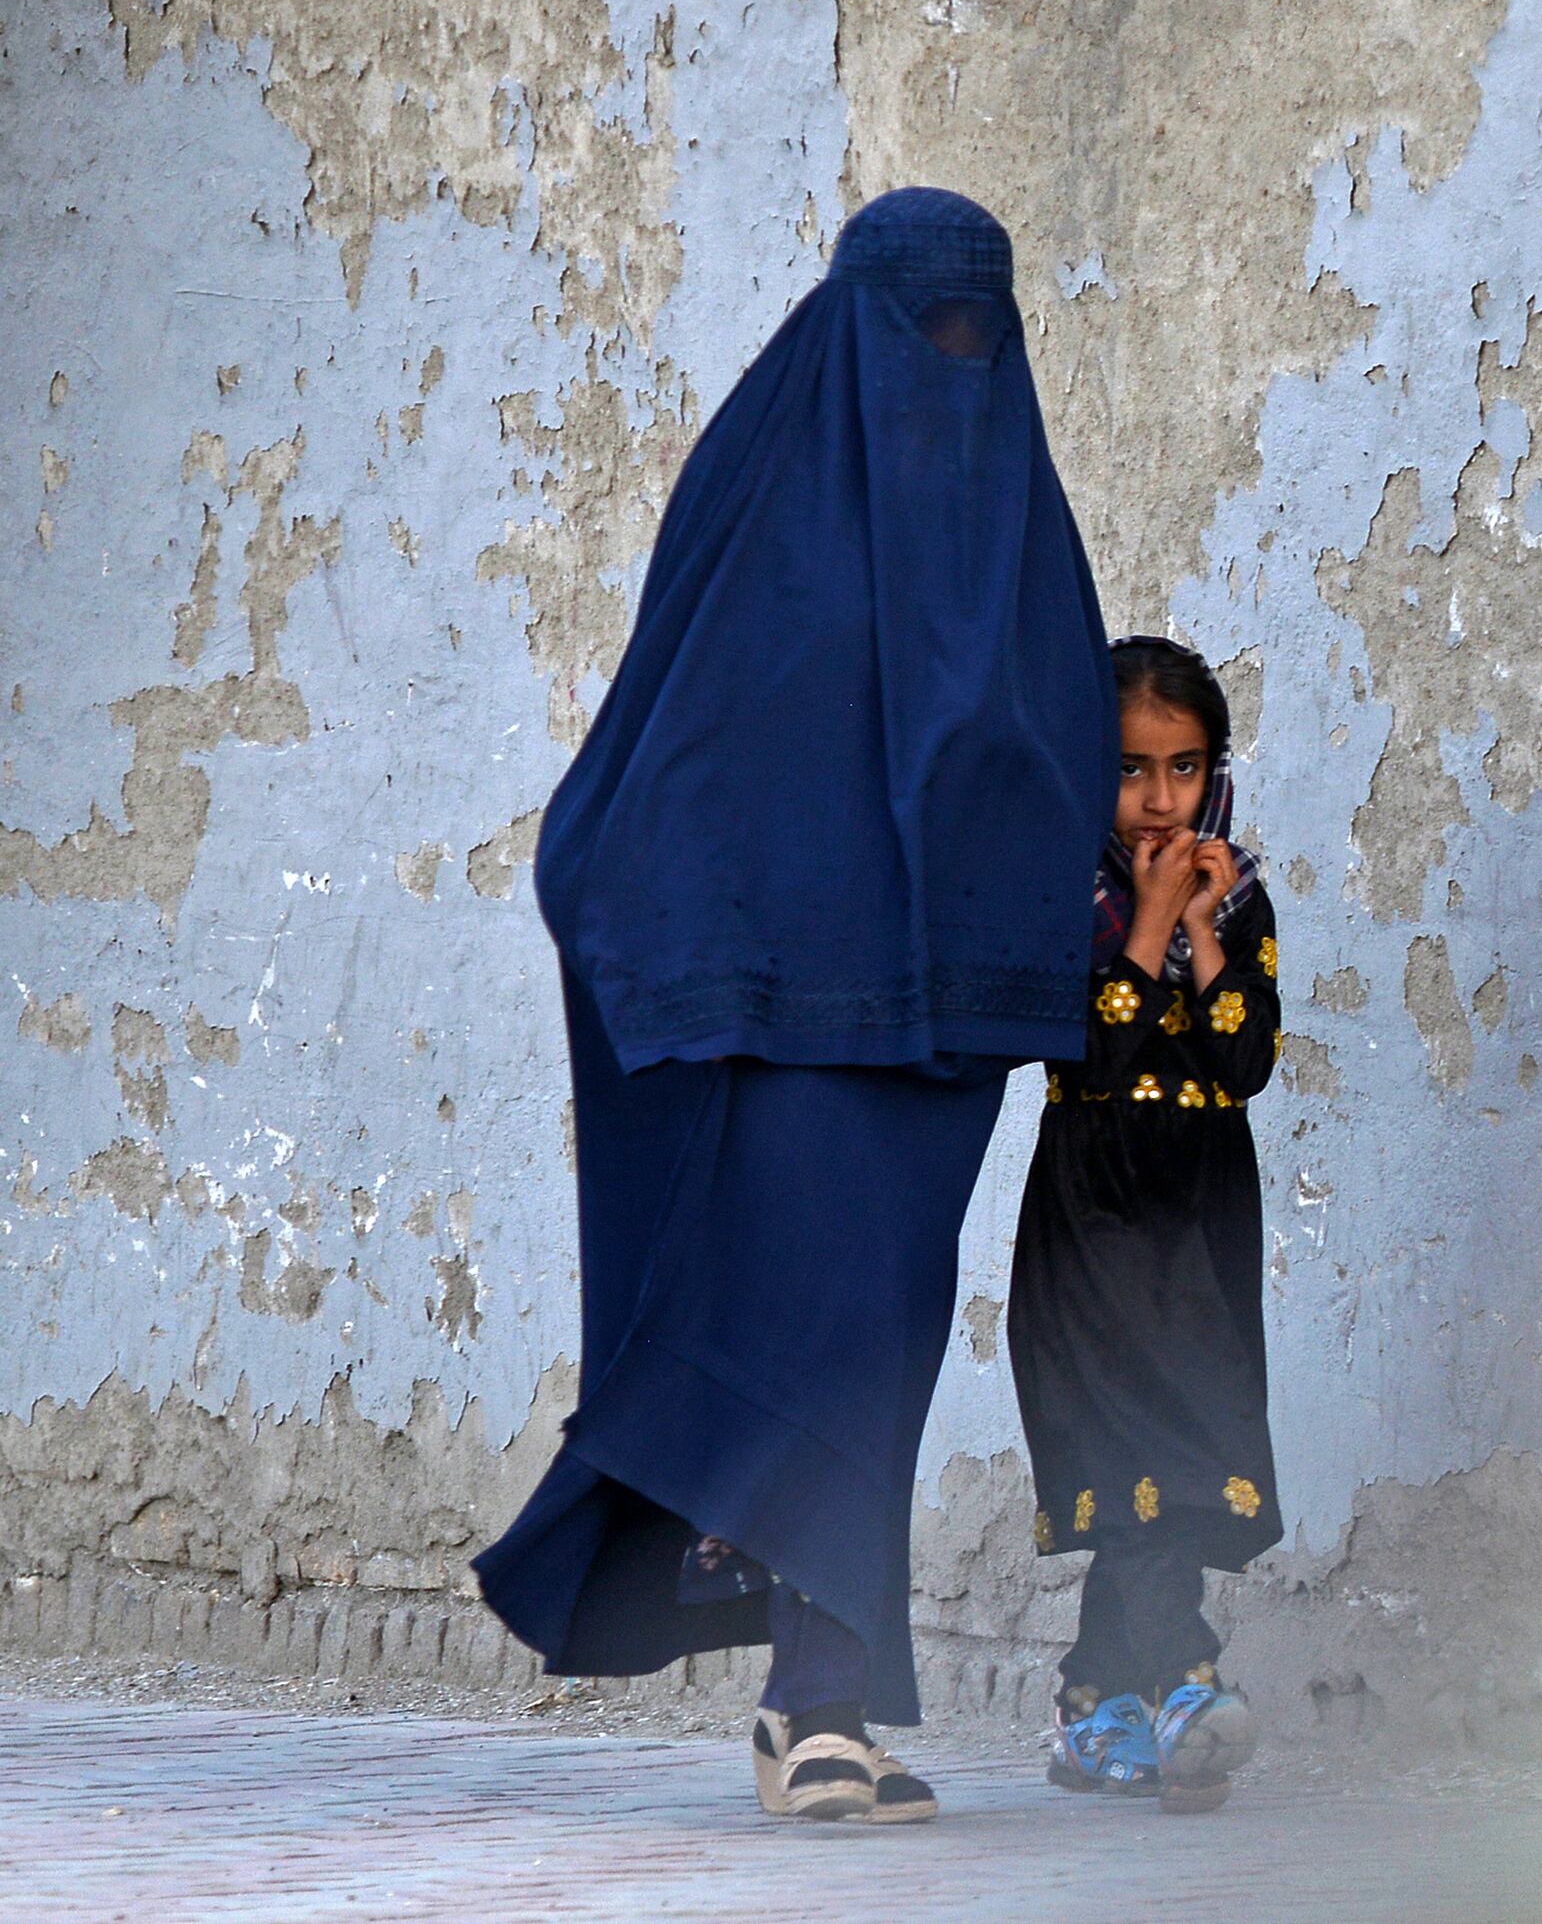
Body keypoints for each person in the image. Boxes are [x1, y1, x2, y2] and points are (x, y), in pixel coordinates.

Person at [472, 187, 1118, 1825]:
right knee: (812, 1340)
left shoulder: (1021, 531)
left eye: (980, 330)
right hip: (782, 1015)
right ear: (853, 329)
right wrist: (675, 937)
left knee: (884, 1343)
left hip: (943, 1023)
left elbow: (1059, 756)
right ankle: (814, 1706)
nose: (952, 362)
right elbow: (655, 754)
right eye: (924, 329)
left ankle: (813, 1702)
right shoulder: (759, 493)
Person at [1014, 634, 1284, 1814]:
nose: (1160, 798)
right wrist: (1149, 921)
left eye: (1183, 767)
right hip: (1094, 1217)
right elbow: (1091, 1044)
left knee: (1178, 1456)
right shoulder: (1057, 889)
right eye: (1131, 770)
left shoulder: (1244, 889)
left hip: (1200, 1218)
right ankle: (1185, 1685)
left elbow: (1243, 1058)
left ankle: (1092, 1708)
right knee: (1140, 1459)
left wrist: (1204, 924)